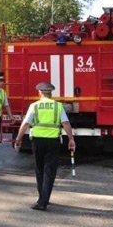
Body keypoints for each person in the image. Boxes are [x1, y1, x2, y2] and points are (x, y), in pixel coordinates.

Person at [14, 82, 76, 211]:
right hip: (53, 141)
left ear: (40, 93)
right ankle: (44, 198)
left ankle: (42, 199)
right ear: (51, 93)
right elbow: (65, 123)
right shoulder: (58, 106)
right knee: (50, 171)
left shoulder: (34, 106)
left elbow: (25, 124)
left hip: (37, 141)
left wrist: (18, 139)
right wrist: (71, 139)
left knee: (39, 169)